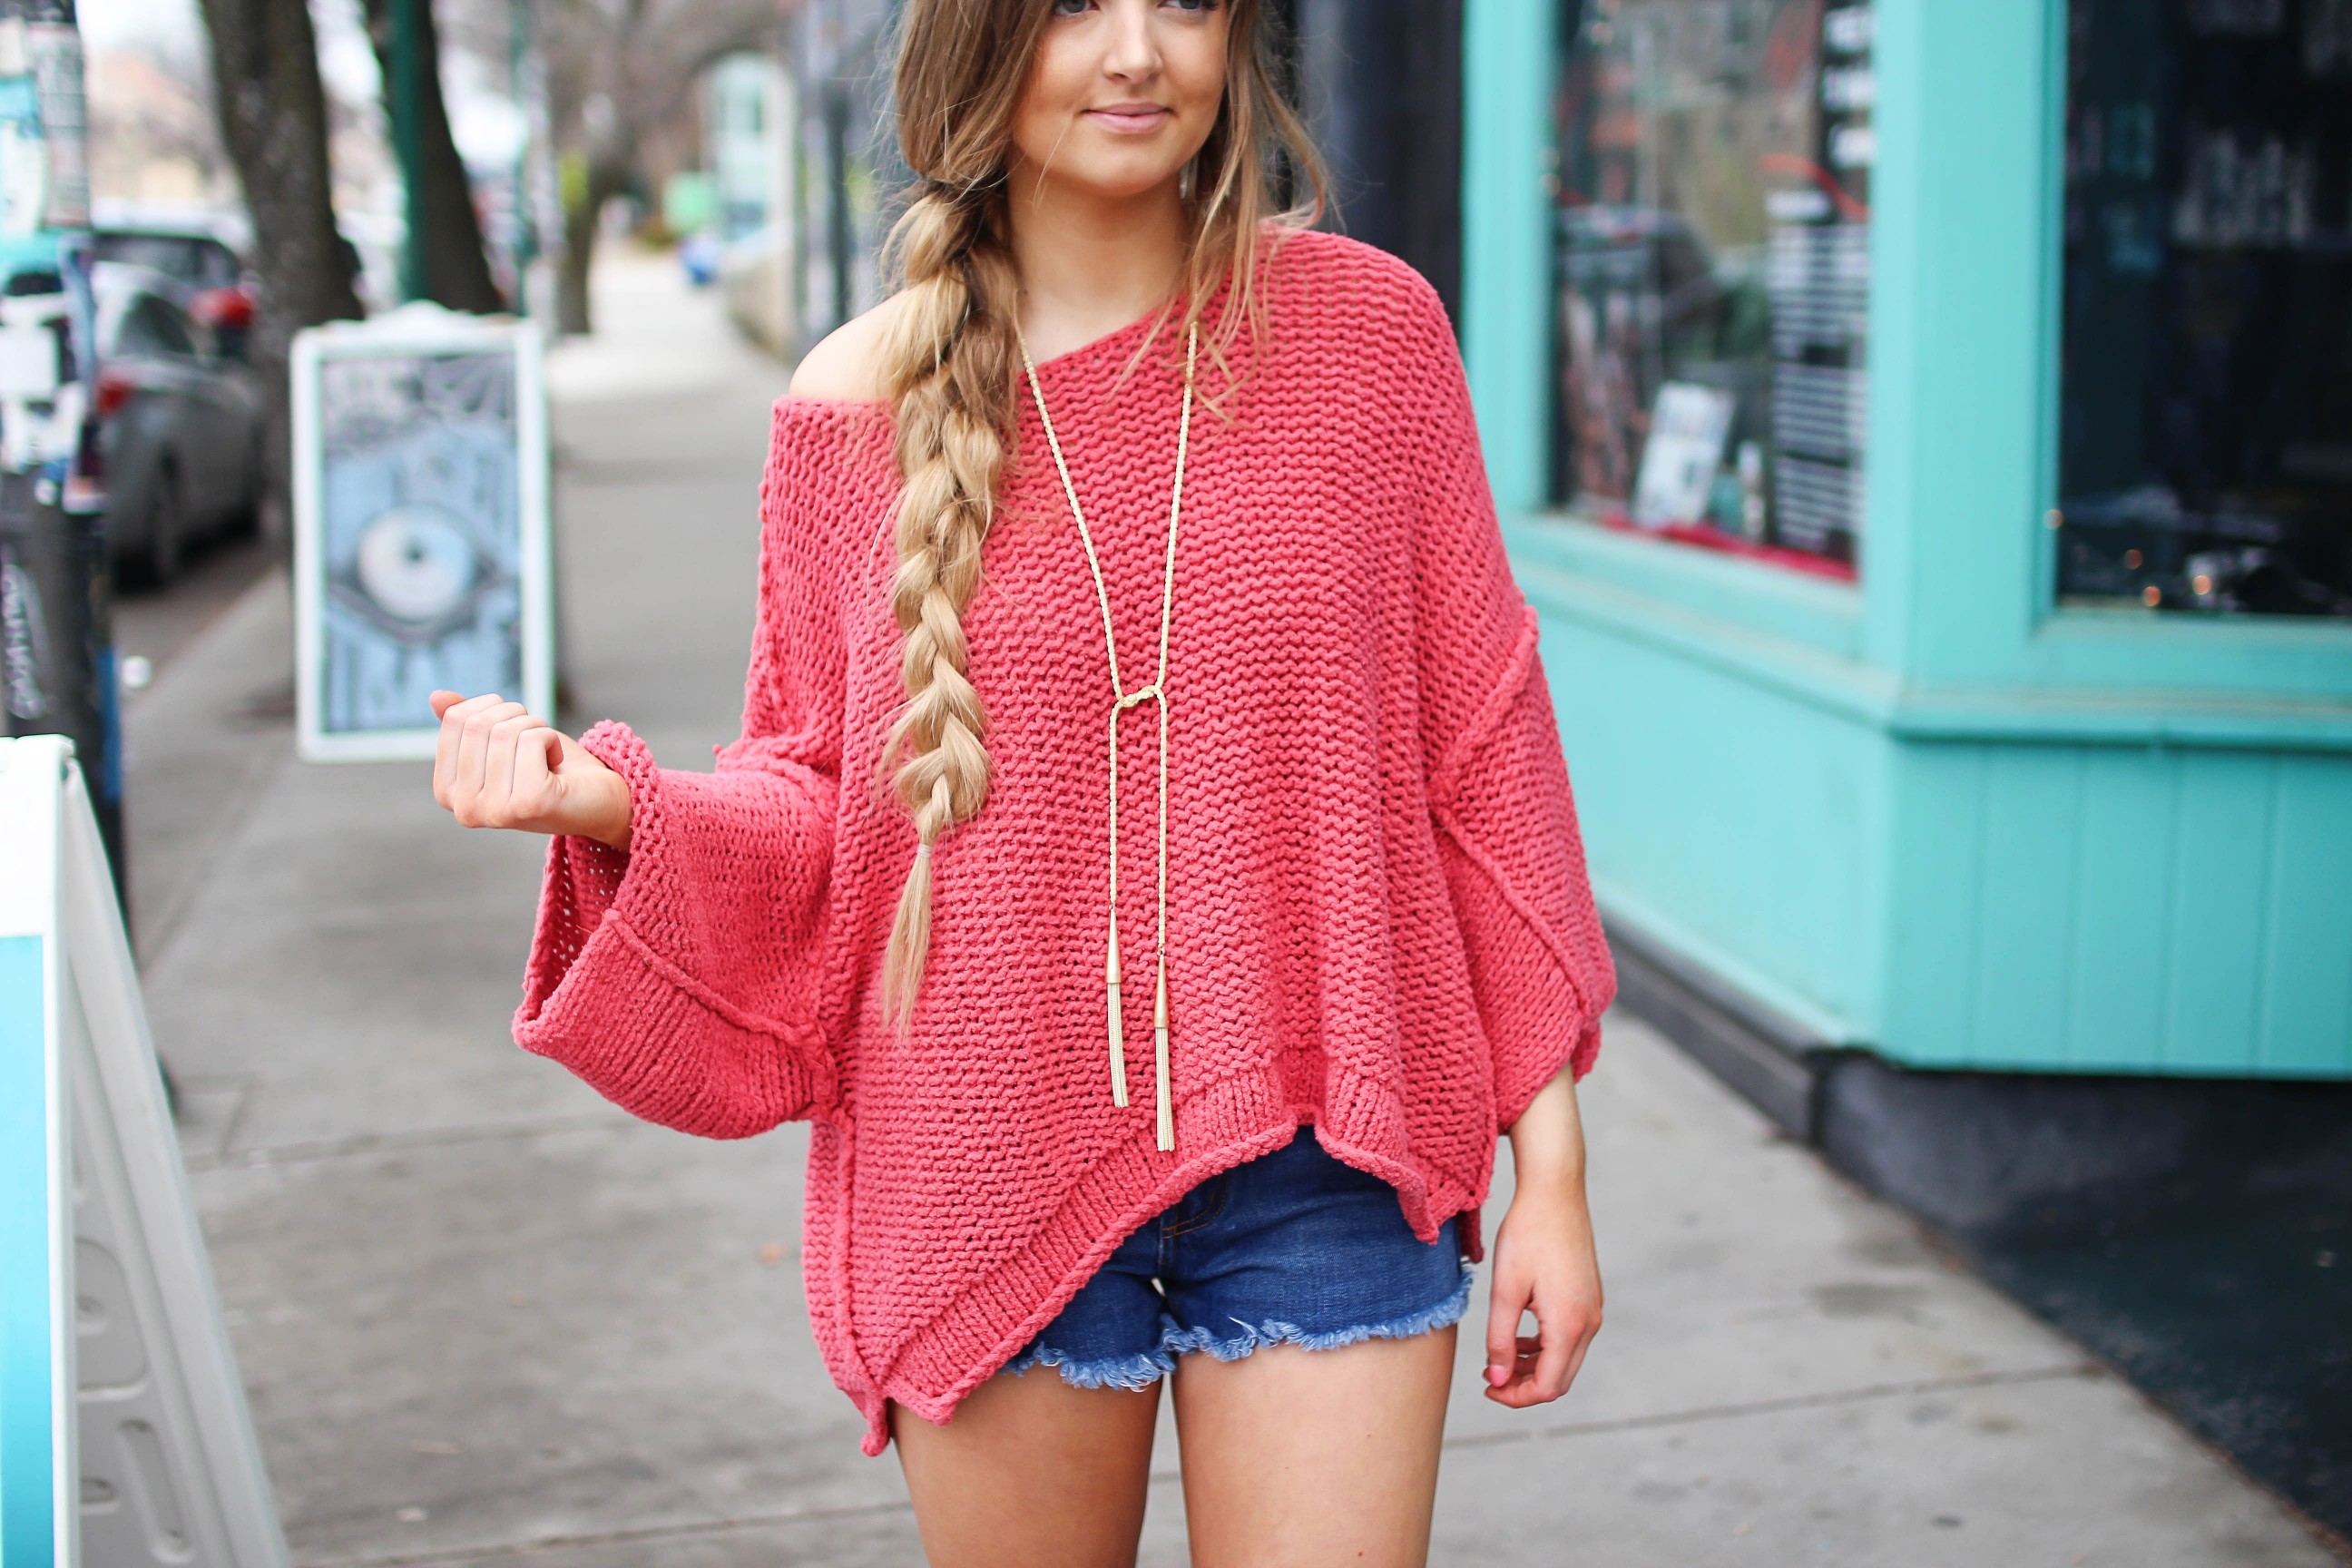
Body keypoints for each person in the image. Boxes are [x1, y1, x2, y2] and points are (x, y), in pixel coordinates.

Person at [426, 0, 1616, 1563]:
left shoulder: (1371, 339)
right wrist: (612, 807)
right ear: (975, 46)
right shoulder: (854, 404)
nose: (1137, 53)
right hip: (983, 1161)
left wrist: (1554, 1174)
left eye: (1184, 2)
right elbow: (822, 810)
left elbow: (1481, 758)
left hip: (1331, 1140)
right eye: (1071, 8)